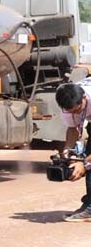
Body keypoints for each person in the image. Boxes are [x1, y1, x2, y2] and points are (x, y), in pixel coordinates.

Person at [54, 81, 91, 222]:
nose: (75, 113)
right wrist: (68, 152)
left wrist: (84, 162)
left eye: (78, 110)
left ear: (84, 98)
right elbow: (72, 129)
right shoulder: (67, 106)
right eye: (71, 112)